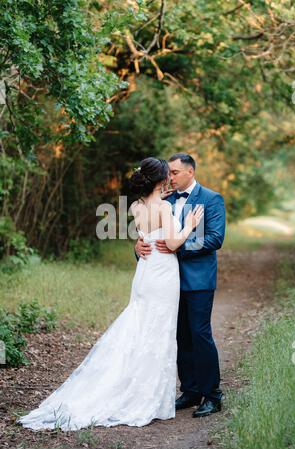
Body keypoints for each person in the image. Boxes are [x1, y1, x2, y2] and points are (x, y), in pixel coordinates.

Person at [17, 157, 203, 431]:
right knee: (158, 332)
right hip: (163, 275)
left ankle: (129, 386)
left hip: (145, 273)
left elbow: (146, 237)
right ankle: (147, 398)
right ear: (162, 180)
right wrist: (190, 223)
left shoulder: (139, 207)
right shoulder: (163, 206)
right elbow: (173, 243)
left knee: (140, 328)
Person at [135, 153, 226, 418]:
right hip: (166, 281)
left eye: (174, 173)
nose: (169, 178)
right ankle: (190, 390)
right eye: (168, 173)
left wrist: (179, 248)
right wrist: (138, 247)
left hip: (198, 280)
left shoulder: (211, 199)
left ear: (190, 172)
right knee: (180, 336)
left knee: (199, 334)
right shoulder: (163, 200)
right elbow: (150, 235)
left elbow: (215, 239)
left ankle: (212, 395)